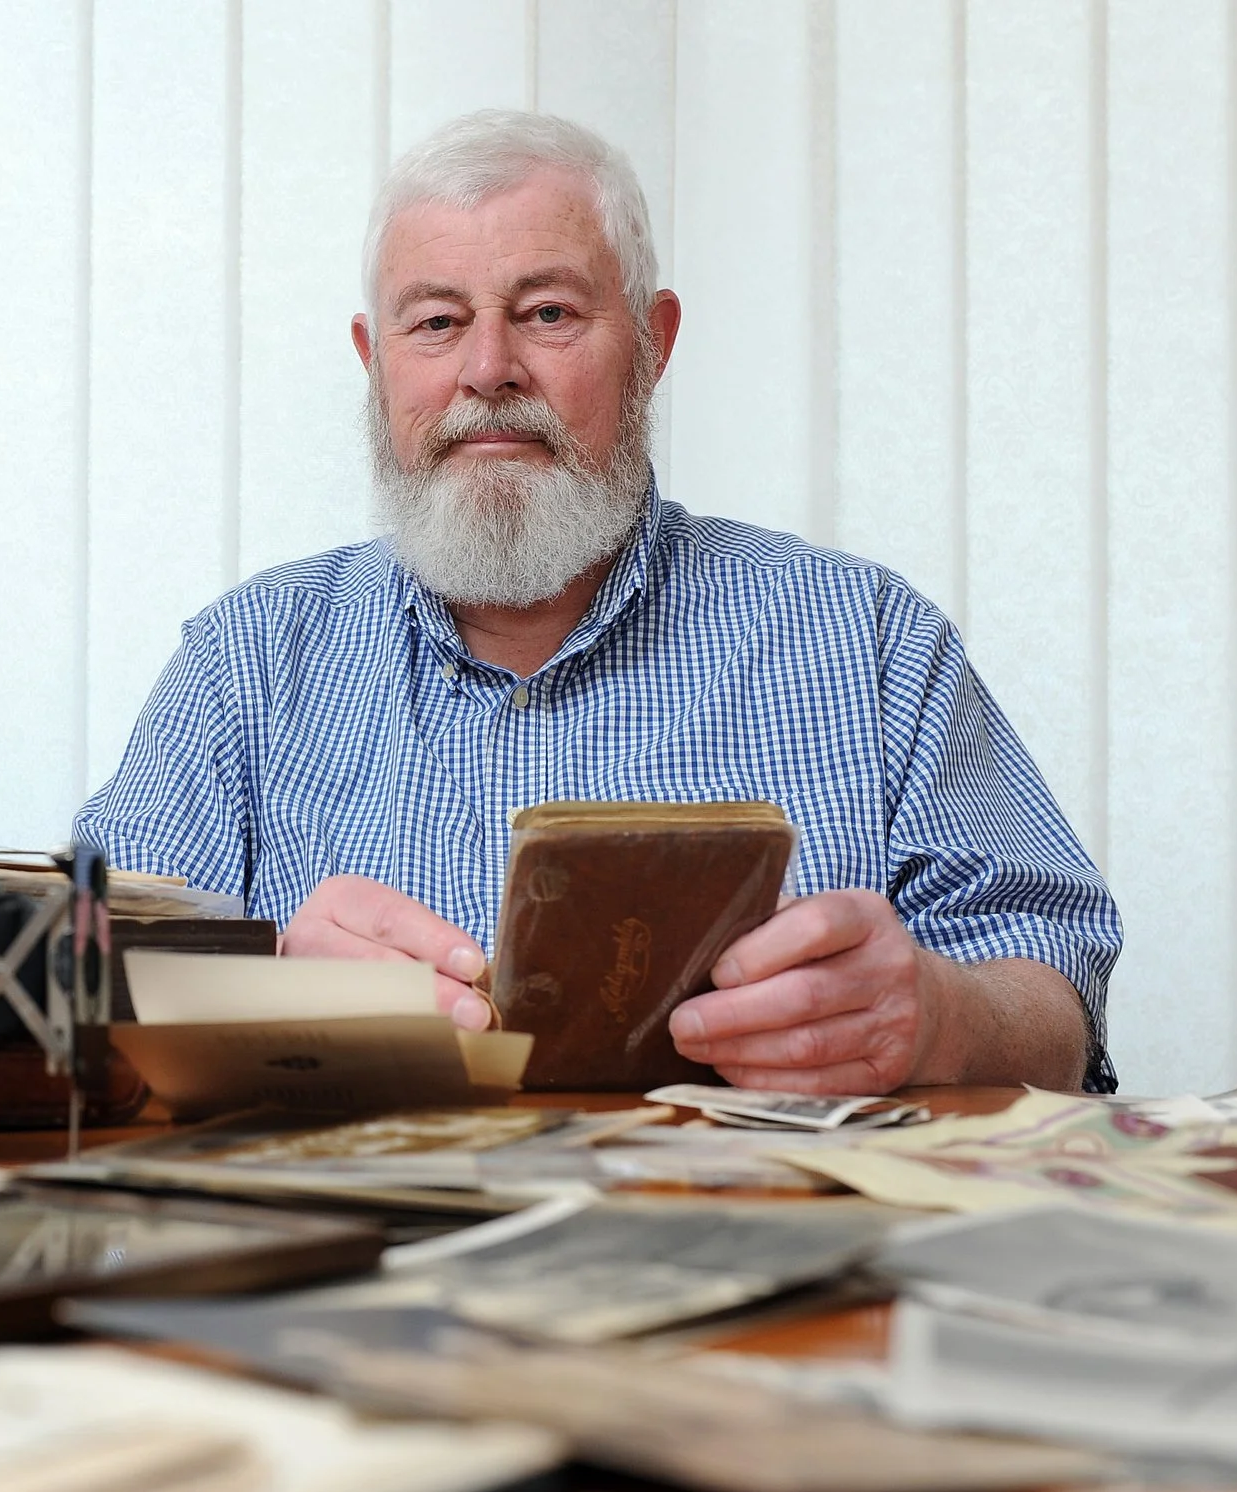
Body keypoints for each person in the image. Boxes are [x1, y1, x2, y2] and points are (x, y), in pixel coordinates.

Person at [75, 110, 1121, 1095]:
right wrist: (247, 999)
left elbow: (1055, 1001)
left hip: (759, 1257)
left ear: (653, 342)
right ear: (374, 361)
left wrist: (936, 1017)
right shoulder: (244, 662)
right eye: (436, 322)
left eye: (547, 313)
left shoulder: (868, 639)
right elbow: (69, 999)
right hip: (356, 1263)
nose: (488, 369)